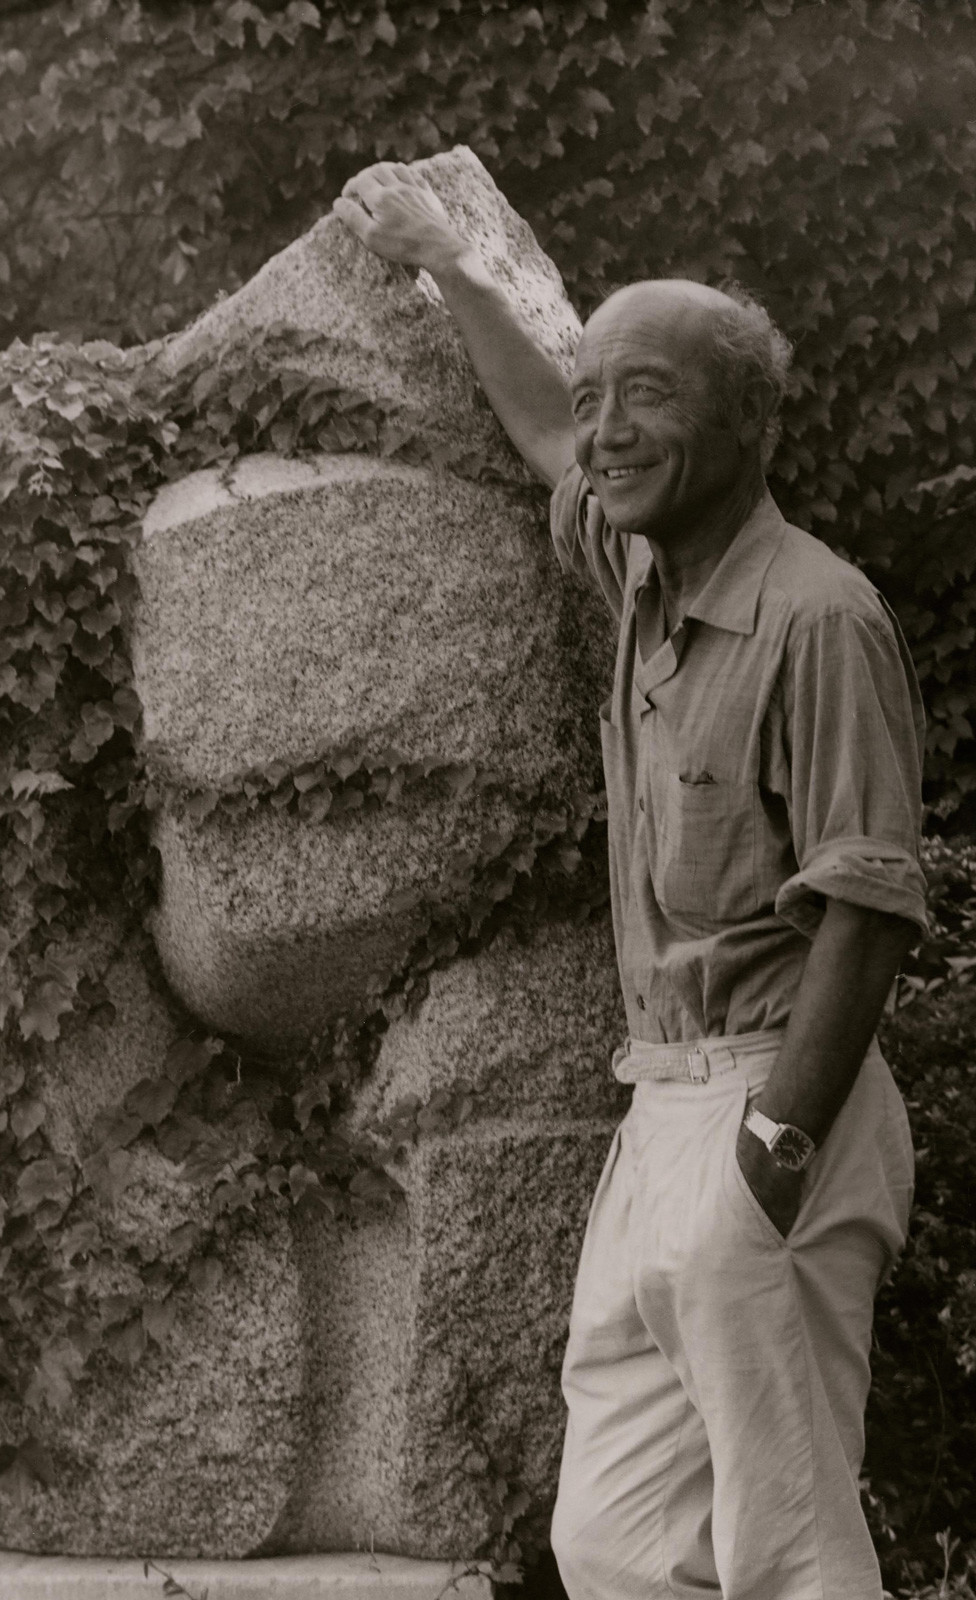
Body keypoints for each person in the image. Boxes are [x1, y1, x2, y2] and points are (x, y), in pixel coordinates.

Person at [334, 162, 928, 1600]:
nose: (607, 430)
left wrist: (772, 1152)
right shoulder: (646, 578)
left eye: (643, 394)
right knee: (612, 1539)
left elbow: (870, 909)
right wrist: (451, 267)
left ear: (744, 417)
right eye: (600, 390)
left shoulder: (818, 616)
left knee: (786, 1551)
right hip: (660, 1102)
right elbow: (548, 429)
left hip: (777, 1101)